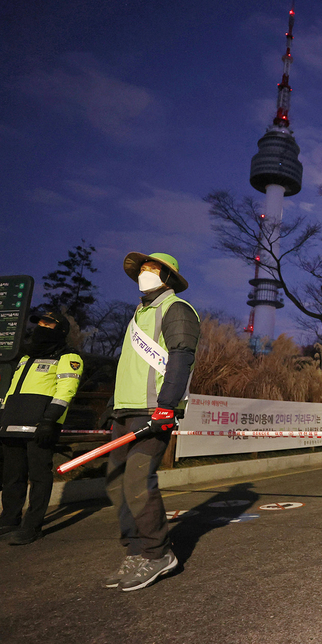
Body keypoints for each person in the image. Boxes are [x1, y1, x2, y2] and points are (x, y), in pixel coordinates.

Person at [103, 251, 199, 592]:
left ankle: (158, 554)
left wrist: (167, 407)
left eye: (151, 269)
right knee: (115, 482)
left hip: (153, 412)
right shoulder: (138, 315)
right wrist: (112, 407)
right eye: (142, 269)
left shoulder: (177, 310)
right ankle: (136, 551)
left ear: (168, 277)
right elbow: (130, 367)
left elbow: (181, 357)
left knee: (137, 481)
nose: (144, 274)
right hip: (126, 411)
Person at [0, 305, 84, 546]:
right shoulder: (26, 357)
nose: (42, 328)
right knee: (12, 477)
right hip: (13, 423)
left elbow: (66, 391)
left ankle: (32, 526)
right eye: (40, 324)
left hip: (41, 425)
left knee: (38, 476)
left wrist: (49, 420)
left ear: (61, 330)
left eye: (49, 324)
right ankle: (7, 522)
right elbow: (12, 391)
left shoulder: (68, 357)